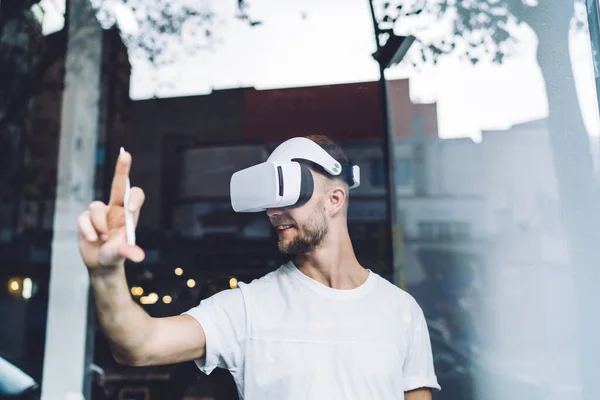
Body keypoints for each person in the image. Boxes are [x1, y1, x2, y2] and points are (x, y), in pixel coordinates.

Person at [78, 134, 441, 400]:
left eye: (289, 193)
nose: (273, 211)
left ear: (335, 198)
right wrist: (106, 275)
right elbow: (139, 346)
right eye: (269, 199)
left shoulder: (401, 311)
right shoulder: (249, 307)